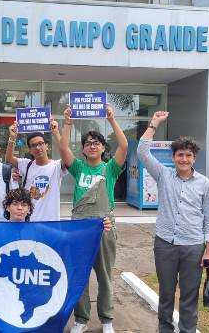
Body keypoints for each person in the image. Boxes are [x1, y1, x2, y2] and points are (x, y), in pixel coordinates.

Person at [137, 111, 209, 333]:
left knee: (189, 295)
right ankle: (165, 329)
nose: (184, 159)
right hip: (165, 245)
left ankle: (188, 330)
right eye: (180, 155)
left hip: (193, 246)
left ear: (194, 158)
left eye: (188, 155)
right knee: (166, 293)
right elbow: (142, 152)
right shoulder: (163, 175)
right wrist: (154, 124)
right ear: (173, 157)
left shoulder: (205, 184)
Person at [58, 105, 128, 333]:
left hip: (104, 226)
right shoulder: (78, 168)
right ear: (84, 149)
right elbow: (63, 147)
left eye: (96, 142)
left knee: (106, 276)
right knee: (80, 275)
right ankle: (81, 319)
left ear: (103, 148)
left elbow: (125, 146)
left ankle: (107, 320)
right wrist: (67, 123)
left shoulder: (110, 169)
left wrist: (112, 119)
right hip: (79, 227)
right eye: (88, 143)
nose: (92, 145)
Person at [5, 119, 67, 221]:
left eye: (41, 143)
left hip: (50, 223)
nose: (38, 147)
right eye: (33, 145)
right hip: (29, 222)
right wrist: (12, 137)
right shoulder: (26, 164)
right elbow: (9, 158)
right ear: (30, 150)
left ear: (47, 146)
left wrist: (56, 132)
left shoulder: (57, 166)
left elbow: (66, 153)